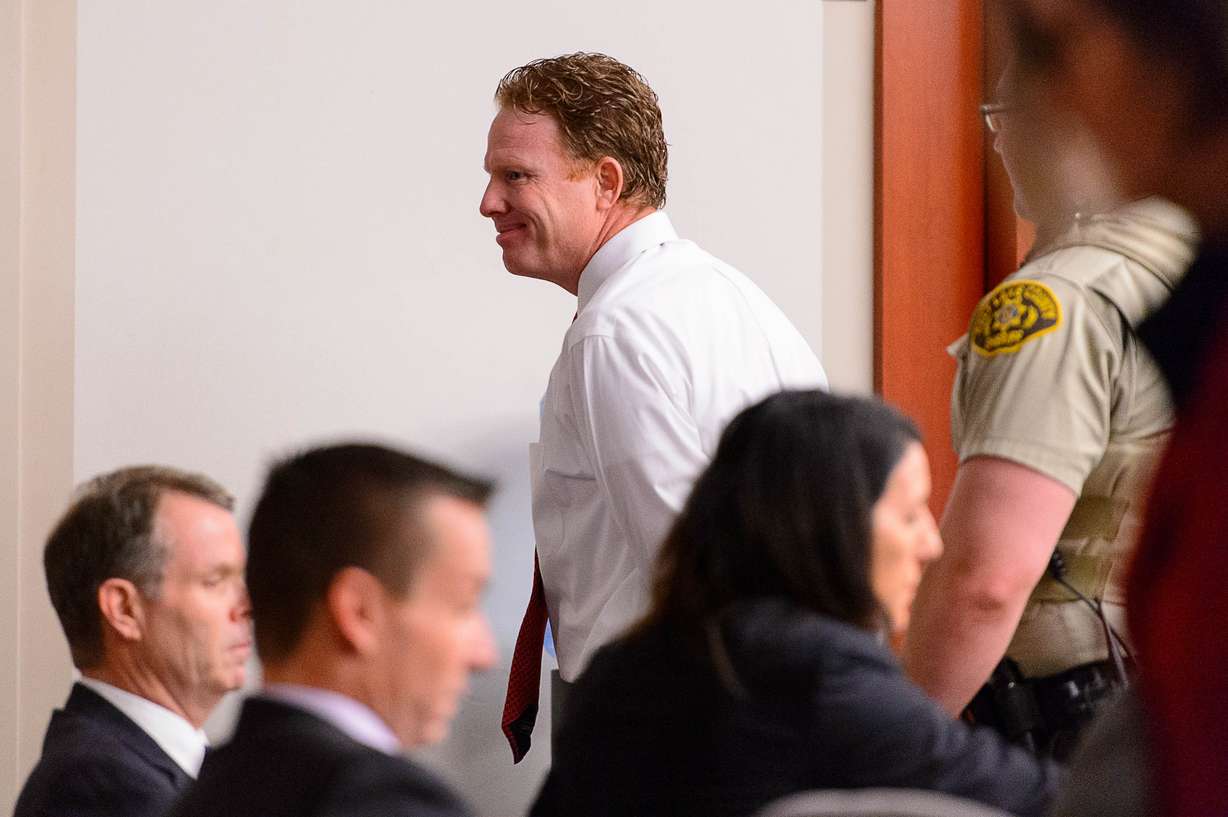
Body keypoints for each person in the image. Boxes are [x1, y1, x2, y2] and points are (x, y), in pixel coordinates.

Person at [480, 51, 827, 761]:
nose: (489, 202)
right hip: (741, 714)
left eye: (515, 176)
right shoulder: (735, 301)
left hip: (666, 737)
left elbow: (693, 574)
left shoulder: (615, 330)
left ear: (605, 182)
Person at [529, 390, 1060, 817]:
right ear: (833, 528)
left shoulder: (623, 666)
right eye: (909, 514)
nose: (932, 542)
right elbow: (1037, 796)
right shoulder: (817, 672)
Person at [903, 62, 1196, 756]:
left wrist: (887, 739)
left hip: (1087, 726)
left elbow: (987, 580)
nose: (999, 146)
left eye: (1003, 120)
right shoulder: (1192, 271)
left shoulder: (1052, 304)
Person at [1000, 0, 1228, 813]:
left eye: (1054, 46)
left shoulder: (1049, 297)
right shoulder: (1185, 290)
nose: (1050, 95)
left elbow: (988, 571)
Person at [169, 443, 496, 817]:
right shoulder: (384, 801)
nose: (485, 654)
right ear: (359, 612)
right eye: (464, 607)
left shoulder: (208, 788)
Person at [15, 466, 250, 817]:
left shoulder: (137, 770)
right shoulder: (103, 787)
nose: (247, 607)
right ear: (124, 609)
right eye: (215, 581)